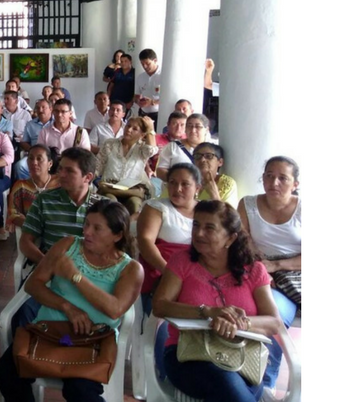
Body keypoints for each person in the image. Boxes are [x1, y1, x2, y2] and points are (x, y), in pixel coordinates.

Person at [0, 200, 143, 402]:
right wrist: (68, 307)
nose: (87, 232)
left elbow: (115, 309)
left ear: (117, 235)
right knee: (6, 372)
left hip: (91, 340)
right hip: (49, 330)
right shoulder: (68, 245)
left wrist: (75, 276)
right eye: (87, 224)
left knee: (81, 392)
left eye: (97, 228)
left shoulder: (130, 268)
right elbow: (33, 284)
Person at [152, 200, 284, 401]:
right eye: (196, 225)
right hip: (188, 355)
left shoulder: (255, 270)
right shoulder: (182, 262)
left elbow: (274, 323)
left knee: (234, 387)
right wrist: (207, 312)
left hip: (244, 358)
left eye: (209, 228)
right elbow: (160, 306)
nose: (198, 233)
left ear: (230, 238)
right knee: (227, 384)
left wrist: (240, 324)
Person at [237, 156, 302, 327]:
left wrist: (277, 265)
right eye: (269, 176)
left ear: (295, 184)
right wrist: (262, 270)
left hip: (296, 271)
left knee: (274, 315)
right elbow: (243, 243)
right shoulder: (247, 204)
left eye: (283, 178)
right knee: (251, 311)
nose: (274, 183)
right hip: (258, 268)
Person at [136, 164, 200, 317]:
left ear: (198, 188)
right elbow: (145, 242)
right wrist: (171, 274)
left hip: (197, 279)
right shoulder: (156, 207)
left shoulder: (206, 211)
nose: (177, 188)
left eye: (185, 184)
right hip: (161, 275)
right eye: (172, 183)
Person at [95, 116, 158, 215]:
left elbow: (151, 150)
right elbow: (98, 165)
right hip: (110, 188)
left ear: (142, 135)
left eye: (135, 129)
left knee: (135, 203)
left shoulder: (142, 148)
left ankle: (129, 230)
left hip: (132, 190)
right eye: (128, 126)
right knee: (110, 202)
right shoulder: (110, 143)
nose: (129, 130)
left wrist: (150, 128)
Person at [6, 144, 60, 241]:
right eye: (30, 158)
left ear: (50, 164)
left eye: (39, 159)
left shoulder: (60, 184)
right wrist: (31, 224)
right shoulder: (21, 186)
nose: (34, 162)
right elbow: (13, 213)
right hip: (33, 237)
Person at [156, 113, 210, 182]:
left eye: (198, 127)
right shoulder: (172, 147)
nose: (193, 130)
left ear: (207, 129)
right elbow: (160, 170)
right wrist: (180, 183)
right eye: (189, 126)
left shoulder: (212, 148)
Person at [135, 49, 163, 127]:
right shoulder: (140, 77)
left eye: (148, 63)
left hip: (158, 115)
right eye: (142, 64)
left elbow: (168, 98)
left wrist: (152, 102)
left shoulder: (163, 76)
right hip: (143, 114)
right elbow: (136, 95)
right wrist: (138, 101)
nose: (145, 66)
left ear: (155, 60)